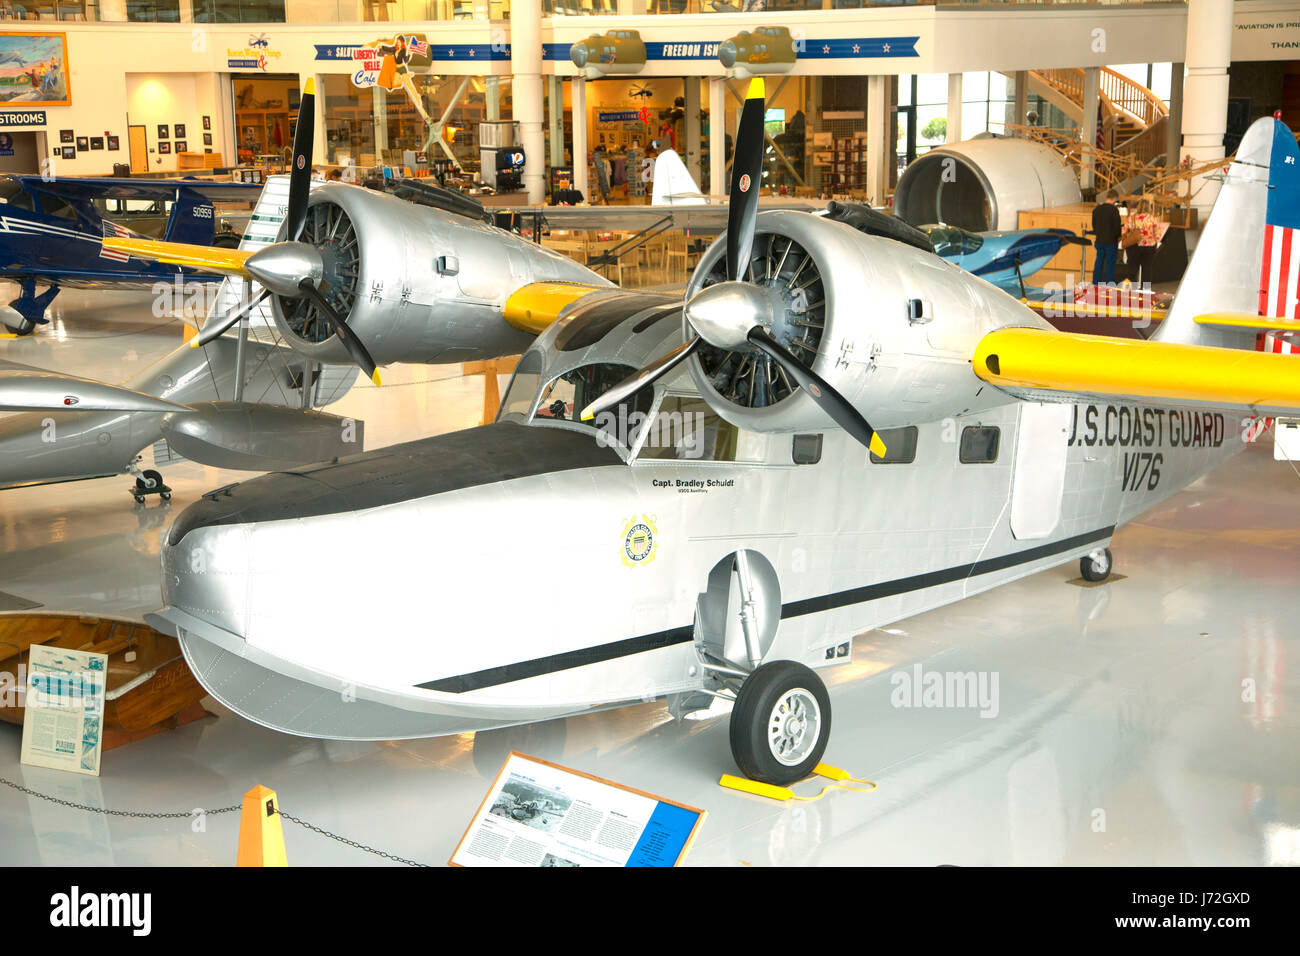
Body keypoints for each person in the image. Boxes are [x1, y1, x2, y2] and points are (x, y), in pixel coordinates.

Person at [1124, 198, 1163, 288]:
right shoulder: (1153, 219)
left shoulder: (1132, 218)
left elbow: (1125, 231)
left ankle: (1131, 289)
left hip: (1134, 246)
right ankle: (1145, 290)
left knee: (1132, 270)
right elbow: (1158, 235)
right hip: (1149, 247)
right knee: (1147, 269)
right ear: (1149, 207)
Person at [1091, 190, 1122, 285]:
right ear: (1115, 198)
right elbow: (1117, 227)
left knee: (1098, 261)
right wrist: (1118, 237)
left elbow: (1094, 225)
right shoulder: (1114, 210)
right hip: (1111, 241)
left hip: (1099, 240)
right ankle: (1110, 284)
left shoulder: (1097, 209)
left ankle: (1096, 282)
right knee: (1110, 263)